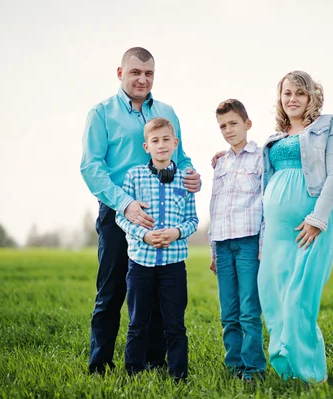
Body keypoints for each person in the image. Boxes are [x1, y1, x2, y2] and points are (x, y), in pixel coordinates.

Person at [80, 47, 201, 375]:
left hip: (163, 214)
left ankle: (153, 363)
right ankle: (100, 365)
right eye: (135, 72)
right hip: (117, 210)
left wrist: (191, 175)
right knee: (111, 291)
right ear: (121, 74)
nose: (142, 79)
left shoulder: (166, 111)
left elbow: (182, 156)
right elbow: (91, 167)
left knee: (158, 294)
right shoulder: (102, 113)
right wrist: (126, 204)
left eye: (148, 74)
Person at [257, 70, 333, 383]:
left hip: (312, 224)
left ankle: (311, 375)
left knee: (298, 298)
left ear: (311, 97)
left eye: (299, 93)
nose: (292, 99)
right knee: (273, 295)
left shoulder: (328, 126)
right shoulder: (275, 138)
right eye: (287, 93)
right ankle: (288, 369)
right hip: (276, 231)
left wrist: (316, 219)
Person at [115, 117, 198, 381]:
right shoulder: (134, 176)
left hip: (173, 264)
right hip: (141, 262)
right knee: (138, 321)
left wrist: (176, 233)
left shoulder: (186, 179)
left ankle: (178, 376)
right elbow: (121, 216)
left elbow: (193, 220)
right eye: (155, 141)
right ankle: (133, 374)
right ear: (146, 146)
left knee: (174, 323)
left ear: (175, 143)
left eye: (166, 140)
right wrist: (145, 235)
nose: (161, 145)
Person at [208, 99, 266, 381]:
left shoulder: (261, 158)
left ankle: (254, 368)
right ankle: (234, 367)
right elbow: (215, 207)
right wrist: (212, 250)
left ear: (247, 124)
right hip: (222, 243)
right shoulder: (220, 163)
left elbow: (266, 203)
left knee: (249, 311)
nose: (228, 130)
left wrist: (263, 244)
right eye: (222, 126)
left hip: (248, 242)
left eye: (233, 123)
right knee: (228, 312)